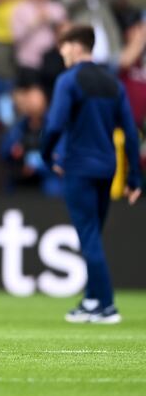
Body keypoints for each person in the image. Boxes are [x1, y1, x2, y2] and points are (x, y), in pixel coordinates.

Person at [41, 25, 142, 324]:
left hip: (79, 167)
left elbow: (55, 123)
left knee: (88, 237)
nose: (61, 53)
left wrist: (47, 156)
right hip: (107, 168)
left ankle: (107, 306)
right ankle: (91, 300)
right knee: (93, 234)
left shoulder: (69, 80)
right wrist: (134, 177)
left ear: (75, 46)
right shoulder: (113, 82)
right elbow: (131, 132)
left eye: (63, 47)